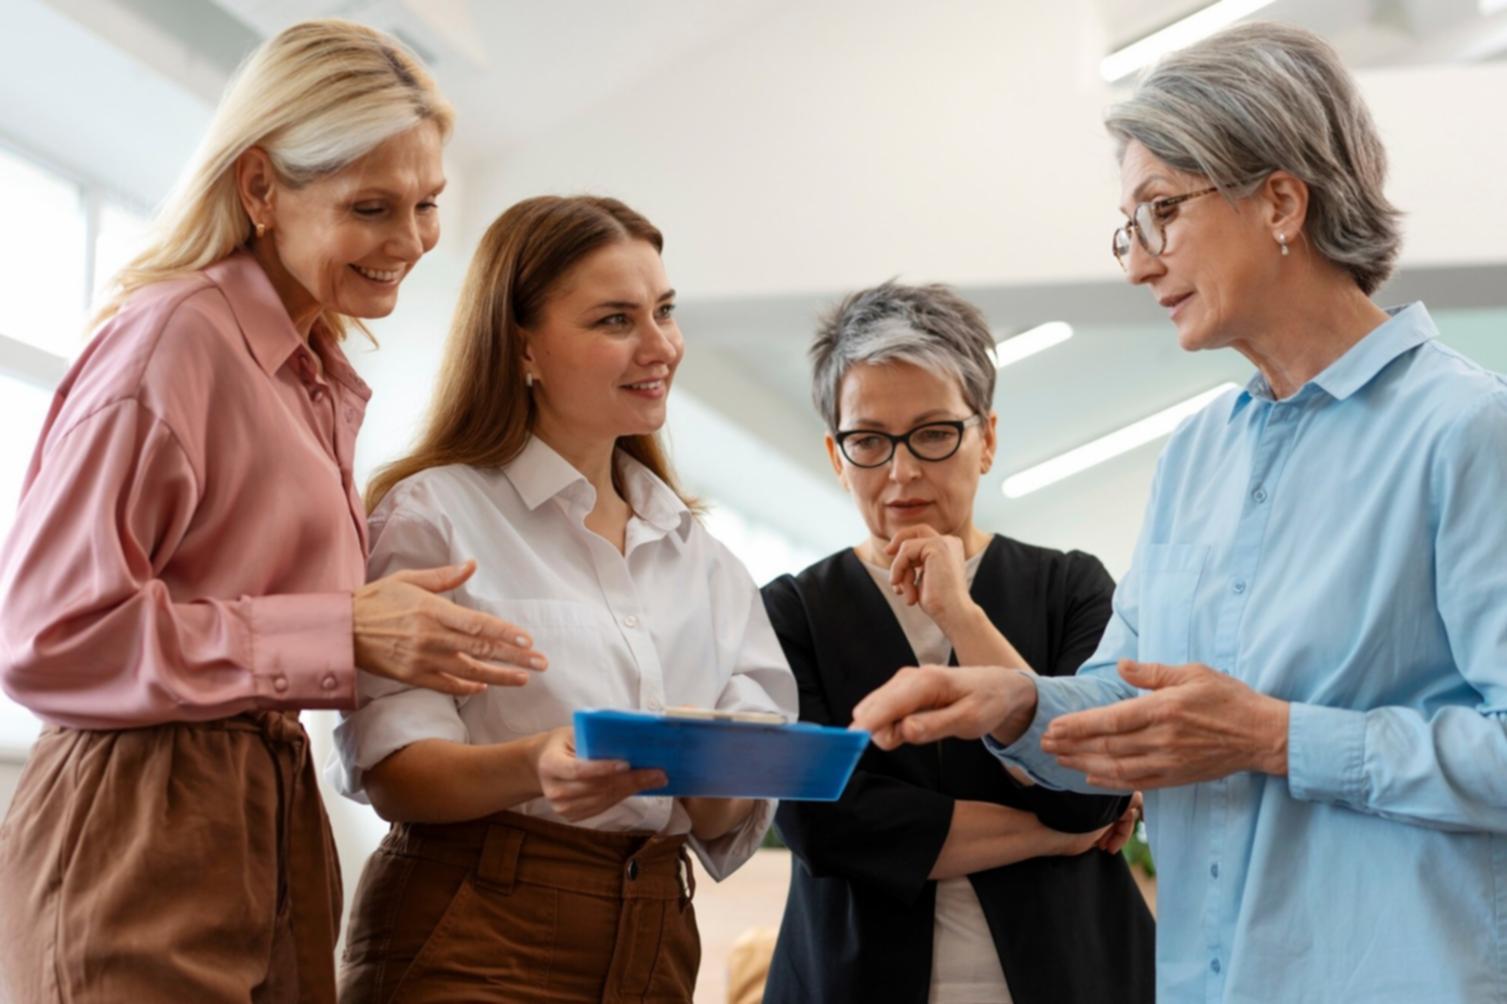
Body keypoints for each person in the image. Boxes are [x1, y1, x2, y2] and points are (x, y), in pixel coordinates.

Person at [852, 21, 1507, 1004]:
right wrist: (1022, 703)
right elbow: (1129, 706)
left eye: (1160, 210)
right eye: (1129, 225)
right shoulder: (1196, 454)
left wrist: (1277, 735)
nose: (1136, 261)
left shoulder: (1467, 432)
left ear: (1281, 200)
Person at [0, 21, 546, 1002]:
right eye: (372, 207)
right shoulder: (174, 341)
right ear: (259, 187)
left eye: (427, 205)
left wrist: (379, 631)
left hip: (268, 802)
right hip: (140, 803)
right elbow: (46, 631)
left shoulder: (310, 372)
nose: (413, 241)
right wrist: (340, 625)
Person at [330, 195, 797, 1003]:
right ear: (523, 348)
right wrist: (535, 764)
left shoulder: (704, 561)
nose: (660, 347)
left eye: (664, 312)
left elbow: (724, 821)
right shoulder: (434, 515)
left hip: (656, 929)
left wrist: (721, 772)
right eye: (615, 320)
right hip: (477, 926)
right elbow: (394, 770)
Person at [762, 281, 1154, 1004]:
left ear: (987, 440)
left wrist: (958, 612)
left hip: (1072, 976)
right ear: (835, 453)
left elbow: (1089, 796)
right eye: (869, 441)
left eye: (934, 433)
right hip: (851, 983)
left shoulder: (1070, 588)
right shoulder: (789, 613)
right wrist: (1050, 835)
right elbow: (826, 826)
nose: (902, 470)